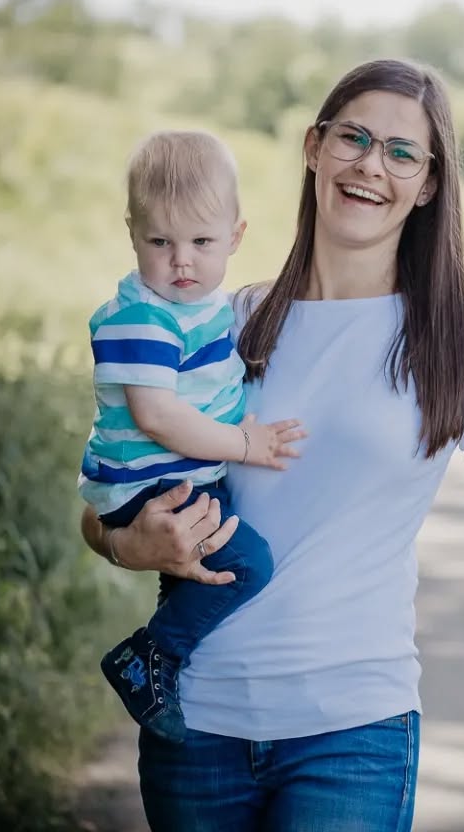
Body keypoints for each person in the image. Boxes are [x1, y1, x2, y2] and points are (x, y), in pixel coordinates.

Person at [79, 59, 464, 829]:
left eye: (400, 152)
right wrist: (132, 547)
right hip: (195, 724)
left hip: (351, 730)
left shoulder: (463, 339)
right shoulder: (226, 322)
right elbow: (107, 496)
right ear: (315, 147)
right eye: (353, 138)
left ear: (427, 184)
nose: (370, 166)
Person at [80, 129, 305, 743]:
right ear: (133, 235)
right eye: (161, 241)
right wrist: (244, 445)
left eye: (202, 242)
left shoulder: (206, 307)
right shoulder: (141, 318)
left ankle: (163, 667)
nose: (182, 261)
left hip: (170, 473)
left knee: (193, 572)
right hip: (152, 478)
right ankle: (148, 657)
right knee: (247, 565)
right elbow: (158, 416)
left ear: (236, 237)